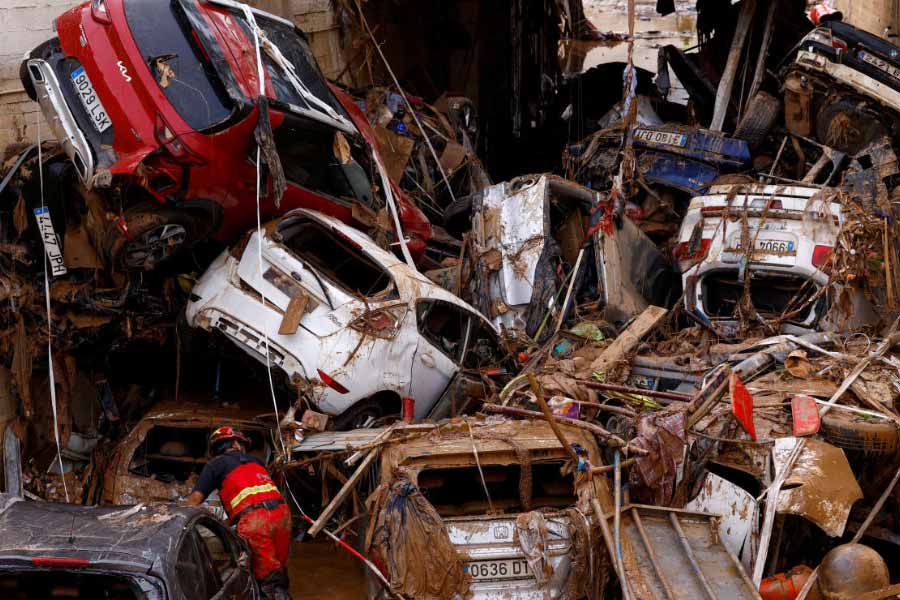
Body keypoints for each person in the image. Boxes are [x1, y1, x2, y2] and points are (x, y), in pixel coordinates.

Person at [186, 426, 292, 600]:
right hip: (282, 515)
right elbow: (254, 500)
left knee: (267, 579)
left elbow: (194, 501)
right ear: (236, 444)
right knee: (279, 569)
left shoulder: (215, 465)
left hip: (255, 522)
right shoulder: (256, 462)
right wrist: (224, 525)